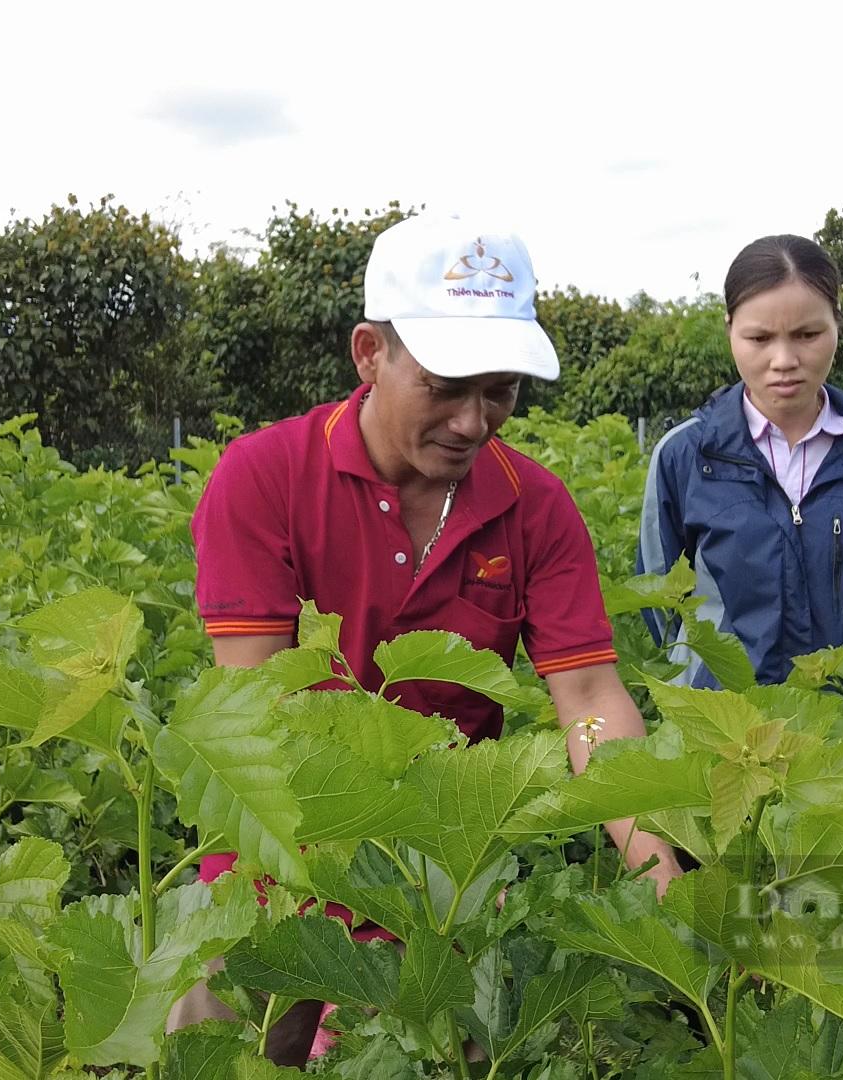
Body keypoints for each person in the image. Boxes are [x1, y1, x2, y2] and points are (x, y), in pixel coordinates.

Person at [176, 209, 680, 1064]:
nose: (475, 420)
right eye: (447, 386)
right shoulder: (265, 479)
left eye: (500, 390)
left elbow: (590, 700)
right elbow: (258, 709)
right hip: (275, 873)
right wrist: (339, 940)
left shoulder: (535, 506)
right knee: (225, 1055)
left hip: (440, 883)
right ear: (370, 354)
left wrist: (658, 873)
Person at [638, 234, 843, 706]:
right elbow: (661, 602)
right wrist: (701, 686)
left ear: (837, 325)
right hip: (728, 732)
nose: (784, 361)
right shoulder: (686, 455)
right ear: (729, 329)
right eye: (759, 338)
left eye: (808, 335)